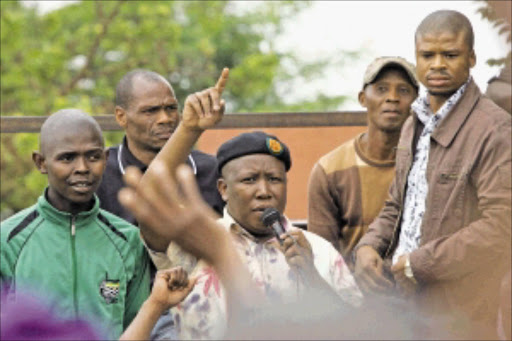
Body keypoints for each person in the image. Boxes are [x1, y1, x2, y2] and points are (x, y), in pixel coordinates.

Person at [132, 68, 362, 339]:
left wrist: (312, 277)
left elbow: (360, 331)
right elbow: (148, 201)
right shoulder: (199, 242)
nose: (264, 191)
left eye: (274, 179)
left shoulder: (319, 253)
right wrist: (189, 128)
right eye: (250, 180)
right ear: (223, 189)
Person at [354, 10, 511, 338]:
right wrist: (369, 246)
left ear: (471, 58)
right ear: (417, 58)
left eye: (450, 55)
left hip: (458, 313)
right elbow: (398, 203)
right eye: (428, 55)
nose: (438, 64)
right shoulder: (414, 122)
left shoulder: (495, 129)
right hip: (402, 304)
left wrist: (418, 263)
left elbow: (501, 227)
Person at [0, 109, 151, 340]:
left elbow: (138, 327)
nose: (82, 167)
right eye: (67, 158)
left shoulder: (128, 240)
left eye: (93, 156)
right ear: (41, 162)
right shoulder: (7, 240)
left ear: (106, 158)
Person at [307, 56, 418, 267]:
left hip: (417, 291)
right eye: (381, 89)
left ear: (417, 102)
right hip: (351, 294)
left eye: (403, 90)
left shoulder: (429, 163)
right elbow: (323, 259)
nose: (392, 98)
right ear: (362, 98)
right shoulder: (330, 170)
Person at [96, 69, 224, 225]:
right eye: (150, 111)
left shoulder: (212, 170)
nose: (165, 119)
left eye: (171, 108)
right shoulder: (100, 173)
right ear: (121, 117)